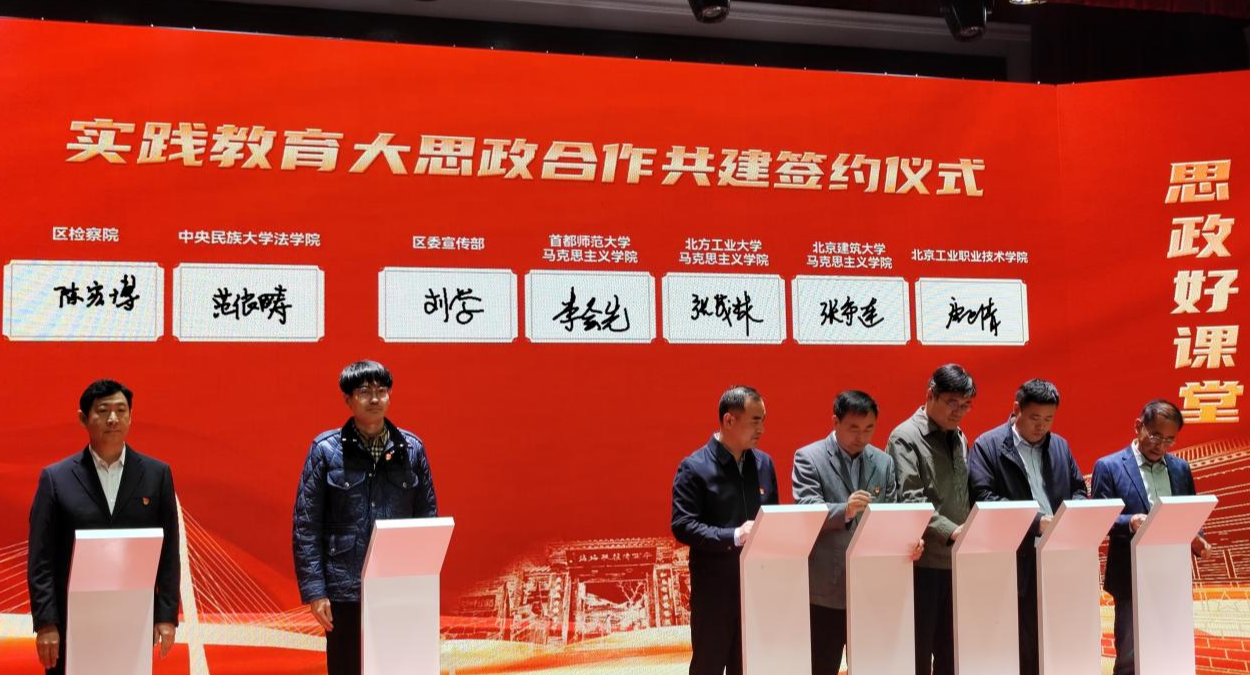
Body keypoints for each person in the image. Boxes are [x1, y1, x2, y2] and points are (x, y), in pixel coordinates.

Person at [293, 360, 438, 675]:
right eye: (364, 392)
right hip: (344, 588)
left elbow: (427, 519)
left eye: (381, 391)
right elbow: (306, 525)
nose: (374, 399)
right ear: (348, 399)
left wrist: (420, 585)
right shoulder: (325, 450)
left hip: (398, 589)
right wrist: (316, 591)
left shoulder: (412, 449)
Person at [27, 379, 180, 675]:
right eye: (103, 410)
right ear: (83, 418)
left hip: (133, 620)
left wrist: (166, 615)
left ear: (131, 417)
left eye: (121, 410)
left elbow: (169, 551)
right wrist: (46, 623)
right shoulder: (56, 479)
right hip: (71, 623)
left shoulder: (156, 474)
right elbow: (41, 559)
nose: (113, 418)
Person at [793, 390, 921, 675]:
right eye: (853, 428)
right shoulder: (809, 457)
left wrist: (908, 541)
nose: (861, 437)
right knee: (821, 666)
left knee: (873, 666)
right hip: (827, 585)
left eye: (869, 429)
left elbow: (891, 515)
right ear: (835, 422)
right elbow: (806, 510)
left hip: (871, 586)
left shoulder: (883, 462)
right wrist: (845, 510)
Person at [968, 379, 1087, 675]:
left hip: (1057, 554)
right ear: (1016, 409)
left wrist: (1070, 516)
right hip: (1015, 557)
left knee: (1058, 636)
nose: (1041, 426)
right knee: (1020, 638)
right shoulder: (988, 445)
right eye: (1035, 418)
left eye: (1048, 419)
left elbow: (1078, 489)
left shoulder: (1059, 446)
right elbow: (983, 498)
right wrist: (1036, 523)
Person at [1091, 399, 1211, 675]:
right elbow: (1100, 518)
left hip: (1172, 574)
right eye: (1155, 435)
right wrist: (1130, 522)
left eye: (1169, 440)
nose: (1161, 445)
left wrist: (1198, 539)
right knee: (1130, 657)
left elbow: (1190, 513)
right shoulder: (1109, 466)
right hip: (1130, 576)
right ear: (1138, 426)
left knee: (1172, 650)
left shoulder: (1180, 468)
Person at [671, 385, 780, 675]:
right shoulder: (694, 468)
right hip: (714, 592)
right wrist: (733, 536)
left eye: (763, 420)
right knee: (708, 666)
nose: (762, 429)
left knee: (749, 667)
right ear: (729, 420)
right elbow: (683, 525)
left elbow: (772, 517)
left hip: (756, 589)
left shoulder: (764, 464)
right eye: (755, 421)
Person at [887, 364, 976, 675]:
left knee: (954, 655)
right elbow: (910, 500)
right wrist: (953, 531)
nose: (959, 411)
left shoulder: (961, 437)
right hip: (922, 564)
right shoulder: (905, 437)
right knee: (918, 654)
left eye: (965, 405)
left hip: (958, 562)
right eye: (952, 402)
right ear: (930, 395)